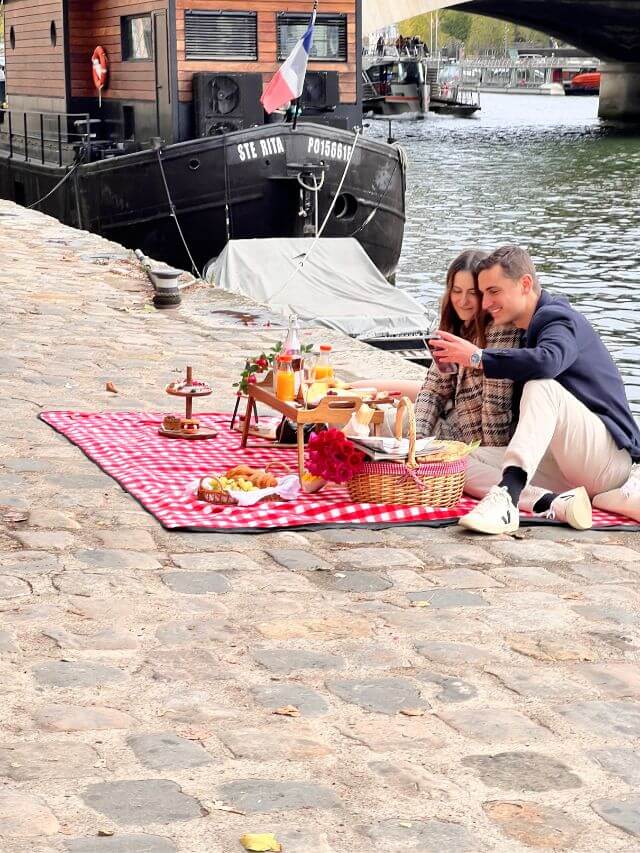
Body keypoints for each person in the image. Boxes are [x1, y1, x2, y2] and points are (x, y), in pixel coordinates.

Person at [430, 244, 640, 534]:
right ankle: (546, 501)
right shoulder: (524, 331)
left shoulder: (557, 317)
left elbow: (548, 362)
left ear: (525, 284)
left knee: (542, 385)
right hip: (565, 466)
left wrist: (477, 357)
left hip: (607, 461)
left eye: (494, 291)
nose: (486, 303)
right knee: (456, 461)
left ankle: (506, 499)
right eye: (484, 293)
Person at [414, 249, 521, 445]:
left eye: (472, 293)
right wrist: (417, 439)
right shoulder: (454, 324)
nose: (463, 301)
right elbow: (433, 390)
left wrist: (487, 459)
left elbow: (495, 406)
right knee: (380, 416)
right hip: (449, 425)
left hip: (477, 442)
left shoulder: (501, 329)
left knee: (381, 420)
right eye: (457, 291)